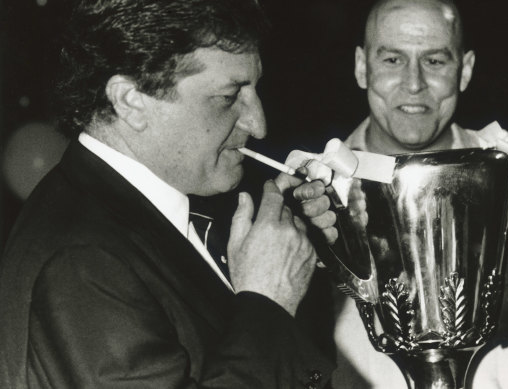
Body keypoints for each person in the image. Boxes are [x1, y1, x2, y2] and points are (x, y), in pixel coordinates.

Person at [0, 1, 339, 388]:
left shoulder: (140, 214)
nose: (257, 124)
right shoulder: (83, 261)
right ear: (131, 101)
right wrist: (269, 303)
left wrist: (294, 262)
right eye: (229, 97)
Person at [331, 0, 508, 388]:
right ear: (361, 66)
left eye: (434, 61)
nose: (413, 83)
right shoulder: (315, 192)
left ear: (464, 71)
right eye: (393, 60)